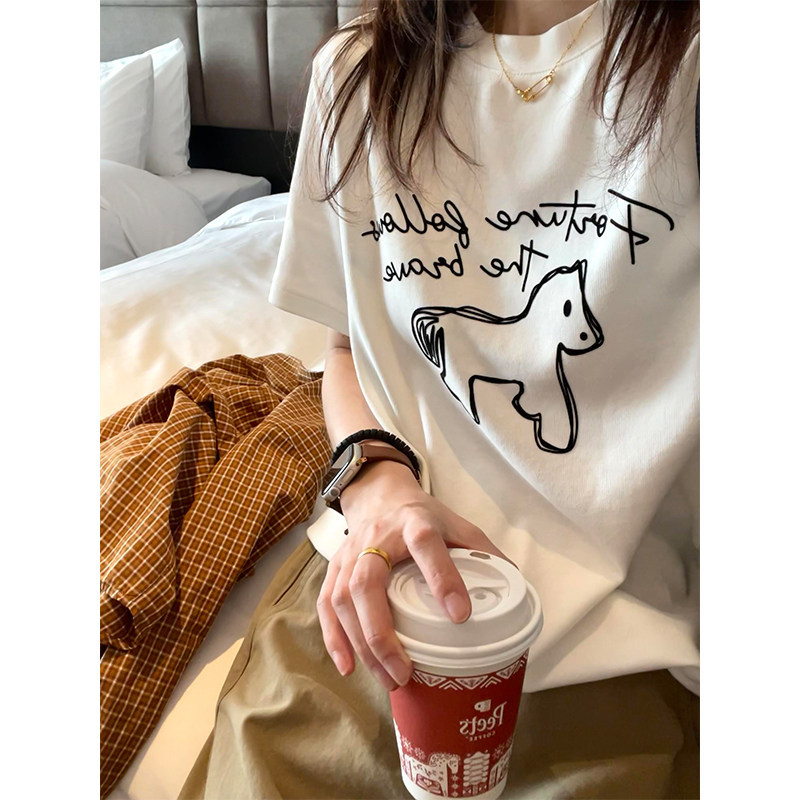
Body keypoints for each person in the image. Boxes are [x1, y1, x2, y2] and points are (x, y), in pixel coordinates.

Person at [180, 1, 700, 797]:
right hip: (367, 598)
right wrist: (374, 484)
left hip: (617, 640)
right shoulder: (358, 74)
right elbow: (347, 349)